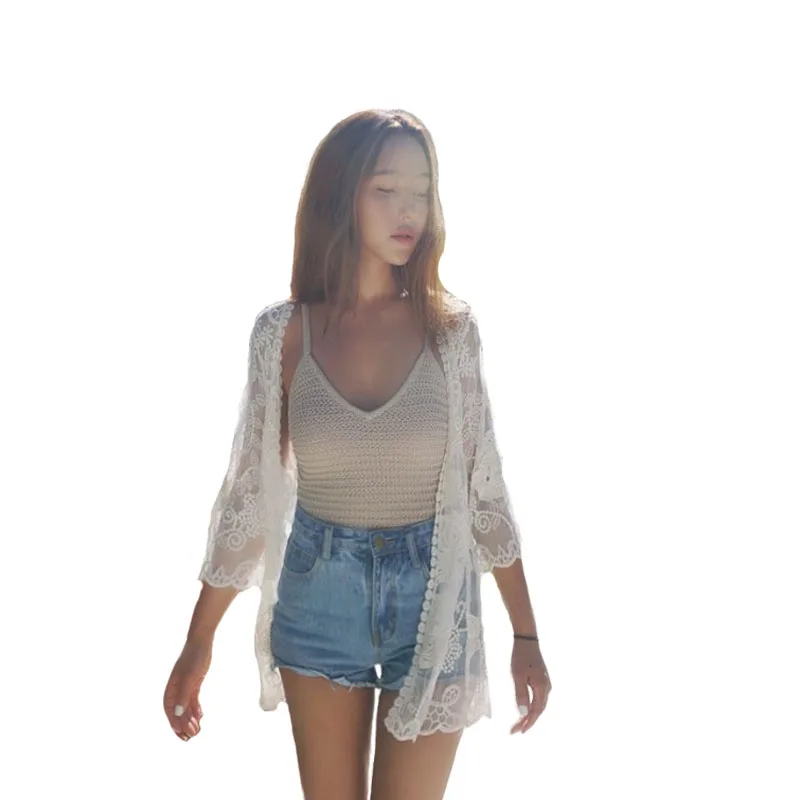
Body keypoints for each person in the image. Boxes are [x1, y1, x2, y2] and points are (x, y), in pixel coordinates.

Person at [163, 109, 551, 799]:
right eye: (387, 189)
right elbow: (249, 498)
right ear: (342, 193)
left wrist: (526, 636)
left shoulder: (452, 333)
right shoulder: (283, 335)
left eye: (422, 191)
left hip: (435, 603)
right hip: (319, 594)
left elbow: (484, 492)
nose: (409, 210)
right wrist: (198, 643)